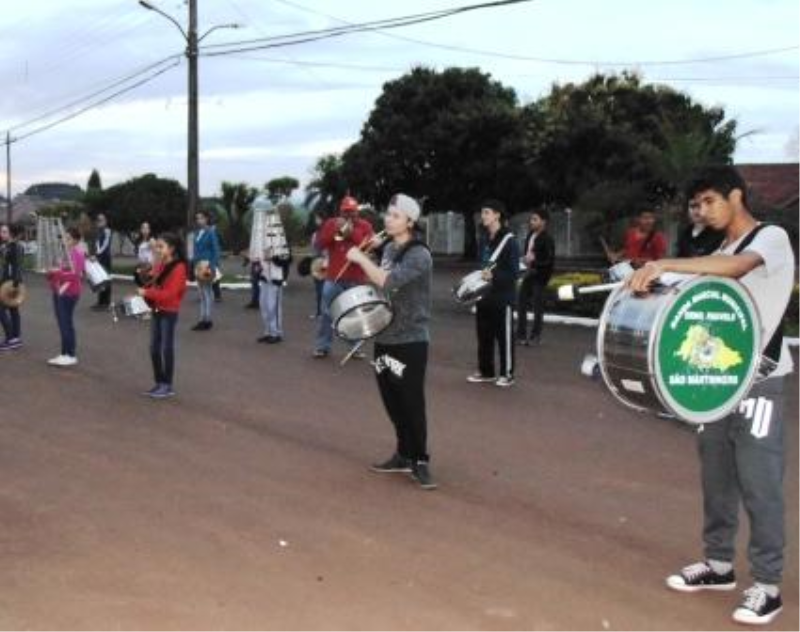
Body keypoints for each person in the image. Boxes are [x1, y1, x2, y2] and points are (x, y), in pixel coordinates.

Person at [627, 165, 795, 626]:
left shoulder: (769, 238)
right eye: (695, 204)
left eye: (707, 201)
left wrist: (667, 263)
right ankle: (719, 565)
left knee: (760, 484)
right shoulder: (719, 247)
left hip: (759, 381)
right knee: (717, 477)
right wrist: (646, 279)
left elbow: (737, 269)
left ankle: (767, 585)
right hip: (717, 382)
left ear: (735, 196)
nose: (699, 211)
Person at [345, 193, 436, 490]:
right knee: (392, 401)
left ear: (410, 221)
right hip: (385, 335)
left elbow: (389, 281)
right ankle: (403, 453)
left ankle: (420, 460)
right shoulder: (388, 249)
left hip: (410, 339)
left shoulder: (418, 254)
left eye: (395, 215)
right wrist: (370, 256)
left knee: (411, 402)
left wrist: (361, 259)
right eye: (388, 214)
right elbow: (379, 279)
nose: (388, 219)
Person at [312, 196, 374, 358]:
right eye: (345, 212)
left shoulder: (365, 226)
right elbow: (320, 244)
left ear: (357, 212)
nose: (349, 215)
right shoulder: (332, 223)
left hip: (356, 278)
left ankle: (355, 347)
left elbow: (366, 246)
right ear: (340, 211)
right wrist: (335, 230)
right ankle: (322, 346)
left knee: (355, 314)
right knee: (326, 313)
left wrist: (350, 231)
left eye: (352, 212)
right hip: (333, 278)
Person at [467, 200, 520, 387]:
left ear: (497, 215)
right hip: (484, 296)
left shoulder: (510, 241)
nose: (483, 216)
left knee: (504, 338)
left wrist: (494, 275)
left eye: (487, 212)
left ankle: (507, 374)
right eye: (482, 213)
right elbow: (482, 266)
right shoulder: (484, 239)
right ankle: (486, 371)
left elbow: (514, 272)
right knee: (484, 336)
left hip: (502, 297)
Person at [138, 233, 188, 399]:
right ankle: (160, 382)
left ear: (171, 249)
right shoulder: (161, 264)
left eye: (161, 247)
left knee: (166, 348)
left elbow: (170, 294)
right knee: (153, 347)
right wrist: (144, 275)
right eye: (157, 246)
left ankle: (167, 385)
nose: (158, 250)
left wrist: (147, 292)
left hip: (169, 311)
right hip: (158, 309)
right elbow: (151, 282)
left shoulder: (179, 267)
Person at [46, 226, 86, 367]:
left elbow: (75, 275)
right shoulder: (63, 253)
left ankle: (71, 354)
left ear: (75, 240)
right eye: (64, 237)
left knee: (66, 323)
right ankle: (64, 353)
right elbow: (56, 270)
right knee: (62, 323)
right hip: (58, 291)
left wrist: (56, 273)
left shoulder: (78, 254)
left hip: (69, 293)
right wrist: (50, 273)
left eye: (68, 238)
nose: (65, 240)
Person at [516, 208, 555, 345]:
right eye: (531, 219)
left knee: (537, 307)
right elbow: (528, 254)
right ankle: (520, 335)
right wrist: (524, 260)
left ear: (543, 222)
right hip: (528, 274)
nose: (531, 222)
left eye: (535, 219)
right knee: (521, 303)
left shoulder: (547, 239)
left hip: (540, 276)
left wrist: (534, 262)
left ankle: (535, 336)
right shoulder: (530, 235)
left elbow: (549, 261)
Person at [257, 235, 292, 344]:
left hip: (276, 278)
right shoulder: (262, 239)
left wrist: (272, 257)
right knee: (264, 305)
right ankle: (268, 331)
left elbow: (287, 259)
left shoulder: (281, 239)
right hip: (265, 276)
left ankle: (276, 333)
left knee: (273, 306)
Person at [190, 210, 221, 331]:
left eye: (201, 218)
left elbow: (216, 250)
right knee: (202, 293)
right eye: (197, 218)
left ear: (207, 219)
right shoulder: (198, 232)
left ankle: (207, 319)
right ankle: (203, 318)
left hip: (207, 264)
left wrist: (213, 266)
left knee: (207, 292)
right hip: (198, 265)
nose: (199, 221)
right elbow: (195, 250)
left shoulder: (210, 232)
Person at [0, 223, 24, 351]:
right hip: (10, 283)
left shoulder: (14, 247)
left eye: (4, 232)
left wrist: (14, 285)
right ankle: (15, 339)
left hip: (9, 284)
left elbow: (17, 267)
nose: (1, 234)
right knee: (13, 310)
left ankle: (10, 339)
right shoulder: (8, 246)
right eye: (1, 231)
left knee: (2, 310)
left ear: (11, 233)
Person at [91, 212, 113, 309]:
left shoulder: (107, 231)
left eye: (102, 219)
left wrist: (97, 254)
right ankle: (100, 302)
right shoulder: (98, 232)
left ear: (105, 221)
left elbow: (105, 245)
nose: (99, 221)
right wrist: (94, 254)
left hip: (105, 258)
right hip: (99, 258)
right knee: (99, 279)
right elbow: (96, 245)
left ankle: (106, 302)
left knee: (106, 279)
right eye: (98, 220)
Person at [134, 221, 156, 287]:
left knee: (147, 286)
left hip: (149, 266)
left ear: (149, 230)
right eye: (143, 228)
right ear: (141, 230)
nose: (145, 230)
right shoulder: (139, 241)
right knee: (140, 284)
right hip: (141, 266)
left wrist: (153, 269)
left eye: (147, 228)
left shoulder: (151, 240)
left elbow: (156, 255)